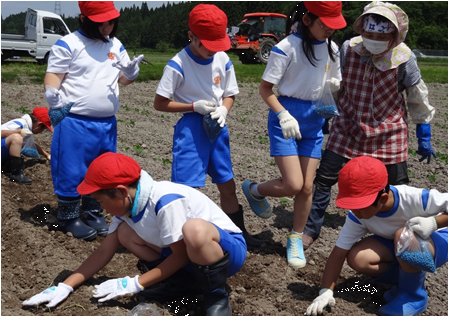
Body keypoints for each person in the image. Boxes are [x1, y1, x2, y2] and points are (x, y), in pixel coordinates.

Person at [22, 152, 246, 316]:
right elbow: (103, 252)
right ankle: (182, 282)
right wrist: (66, 285)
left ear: (120, 191)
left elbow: (181, 255)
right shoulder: (128, 206)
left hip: (224, 253)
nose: (101, 209)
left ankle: (215, 295)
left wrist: (136, 283)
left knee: (194, 230)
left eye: (101, 201)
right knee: (124, 234)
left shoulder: (164, 200)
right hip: (187, 255)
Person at [302, 1, 437, 250]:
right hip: (349, 125)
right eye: (368, 34)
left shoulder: (404, 59)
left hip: (389, 131)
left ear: (394, 36)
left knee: (398, 188)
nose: (373, 39)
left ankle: (400, 234)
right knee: (324, 178)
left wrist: (423, 133)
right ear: (360, 30)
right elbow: (336, 85)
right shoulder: (349, 49)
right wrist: (325, 115)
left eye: (380, 36)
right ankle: (311, 228)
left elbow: (417, 96)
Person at [242, 1, 346, 269]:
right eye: (325, 24)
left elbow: (331, 86)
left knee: (307, 186)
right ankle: (253, 190)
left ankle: (296, 237)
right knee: (292, 184)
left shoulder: (332, 49)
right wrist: (283, 114)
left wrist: (335, 90)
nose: (330, 31)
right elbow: (266, 89)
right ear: (308, 19)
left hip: (314, 121)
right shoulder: (286, 47)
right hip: (286, 118)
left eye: (334, 26)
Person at [153, 4, 263, 248]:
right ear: (191, 35)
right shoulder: (177, 64)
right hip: (191, 130)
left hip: (217, 125)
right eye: (207, 45)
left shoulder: (221, 58)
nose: (212, 51)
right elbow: (159, 103)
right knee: (186, 189)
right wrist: (192, 107)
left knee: (227, 183)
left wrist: (224, 108)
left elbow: (229, 93)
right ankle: (180, 244)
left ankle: (238, 233)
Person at [43, 1, 144, 241]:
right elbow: (54, 75)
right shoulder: (69, 44)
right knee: (70, 168)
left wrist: (130, 74)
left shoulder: (115, 45)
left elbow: (123, 79)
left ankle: (92, 211)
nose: (107, 27)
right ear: (84, 19)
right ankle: (67, 216)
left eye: (111, 22)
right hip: (74, 121)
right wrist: (51, 92)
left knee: (101, 169)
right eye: (101, 23)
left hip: (106, 123)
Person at [305, 156, 447, 316]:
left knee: (404, 235)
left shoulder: (413, 199)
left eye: (360, 207)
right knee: (358, 257)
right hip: (397, 244)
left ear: (383, 198)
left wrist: (434, 223)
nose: (355, 212)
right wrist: (325, 291)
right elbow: (339, 253)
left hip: (437, 240)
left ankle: (414, 296)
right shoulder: (358, 215)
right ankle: (405, 281)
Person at [1, 107, 52, 184]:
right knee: (17, 138)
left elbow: (32, 144)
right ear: (39, 125)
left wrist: (47, 155)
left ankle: (6, 165)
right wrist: (19, 132)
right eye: (43, 129)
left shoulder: (27, 127)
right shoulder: (21, 123)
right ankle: (16, 174)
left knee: (18, 140)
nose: (41, 132)